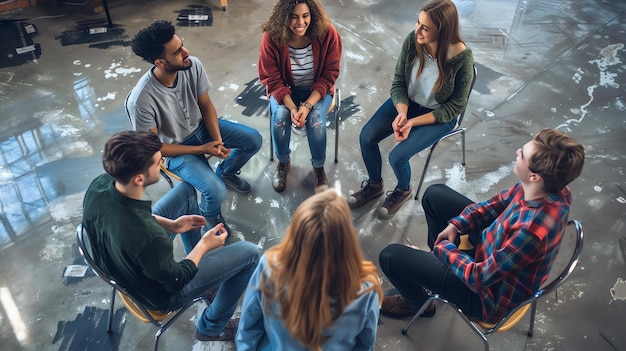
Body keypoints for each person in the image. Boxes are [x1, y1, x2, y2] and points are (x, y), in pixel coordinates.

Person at [378, 128, 585, 324]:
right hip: (489, 250)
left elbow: (478, 278)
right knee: (435, 195)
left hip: (486, 297)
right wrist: (458, 225)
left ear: (535, 176)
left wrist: (442, 251)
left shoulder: (531, 233)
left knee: (390, 257)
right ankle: (435, 270)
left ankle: (418, 303)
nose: (517, 152)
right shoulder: (544, 187)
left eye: (522, 155)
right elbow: (494, 206)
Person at [82, 131, 261, 341]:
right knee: (250, 253)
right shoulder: (148, 238)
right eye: (158, 162)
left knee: (186, 191)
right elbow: (176, 280)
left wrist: (172, 224)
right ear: (139, 178)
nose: (162, 163)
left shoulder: (100, 185)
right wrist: (203, 245)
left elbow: (132, 215)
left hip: (120, 261)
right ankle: (212, 327)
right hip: (159, 293)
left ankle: (205, 274)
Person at [126, 20, 262, 235]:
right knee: (215, 192)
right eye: (177, 52)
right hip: (175, 149)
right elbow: (155, 148)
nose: (186, 52)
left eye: (182, 45)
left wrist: (216, 140)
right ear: (160, 62)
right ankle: (210, 215)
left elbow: (206, 105)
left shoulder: (192, 64)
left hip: (202, 129)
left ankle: (226, 173)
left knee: (253, 139)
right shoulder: (141, 100)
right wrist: (202, 149)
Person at [348, 0, 473, 219]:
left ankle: (403, 190)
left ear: (442, 32)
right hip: (409, 103)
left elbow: (455, 107)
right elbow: (398, 82)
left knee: (398, 156)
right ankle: (375, 185)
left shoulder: (461, 58)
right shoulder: (413, 40)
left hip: (439, 115)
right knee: (366, 137)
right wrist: (403, 113)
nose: (417, 30)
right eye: (418, 22)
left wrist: (412, 123)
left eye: (425, 28)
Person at [236, 189, 383, 350]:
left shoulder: (270, 268)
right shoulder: (366, 289)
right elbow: (365, 345)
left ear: (295, 234)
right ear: (347, 240)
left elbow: (248, 328)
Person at [258, 0, 342, 193]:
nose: (300, 22)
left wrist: (307, 106)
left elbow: (329, 75)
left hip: (318, 91)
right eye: (293, 16)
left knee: (316, 123)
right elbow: (272, 79)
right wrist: (293, 107)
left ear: (313, 14)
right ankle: (283, 162)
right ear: (283, 16)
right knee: (280, 118)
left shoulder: (328, 33)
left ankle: (318, 168)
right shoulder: (271, 37)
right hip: (285, 91)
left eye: (305, 16)